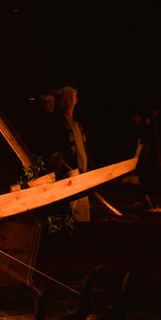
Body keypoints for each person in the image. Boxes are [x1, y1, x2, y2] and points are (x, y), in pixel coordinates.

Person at [44, 84, 93, 221]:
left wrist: (92, 171)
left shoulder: (78, 124)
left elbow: (85, 150)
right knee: (66, 215)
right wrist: (54, 157)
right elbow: (49, 144)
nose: (67, 102)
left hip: (83, 176)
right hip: (68, 175)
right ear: (58, 101)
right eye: (63, 99)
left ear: (76, 100)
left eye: (71, 98)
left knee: (82, 217)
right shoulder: (55, 122)